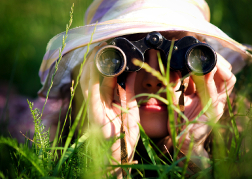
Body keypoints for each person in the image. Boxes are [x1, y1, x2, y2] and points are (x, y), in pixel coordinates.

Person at [38, 0, 251, 178]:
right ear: (96, 70)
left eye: (179, 58)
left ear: (205, 69)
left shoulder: (245, 150)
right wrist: (112, 160)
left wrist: (193, 155)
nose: (152, 80)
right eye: (126, 58)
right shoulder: (44, 141)